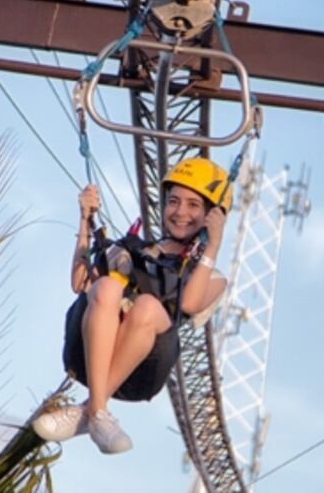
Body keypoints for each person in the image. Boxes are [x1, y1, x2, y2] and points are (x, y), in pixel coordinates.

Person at [32, 157, 232, 454]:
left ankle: (90, 410)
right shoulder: (132, 249)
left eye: (193, 205)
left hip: (145, 366)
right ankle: (96, 413)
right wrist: (85, 220)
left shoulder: (211, 276)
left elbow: (189, 302)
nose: (180, 212)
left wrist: (213, 245)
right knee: (110, 285)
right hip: (88, 351)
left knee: (149, 306)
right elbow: (80, 283)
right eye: (174, 202)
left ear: (210, 214)